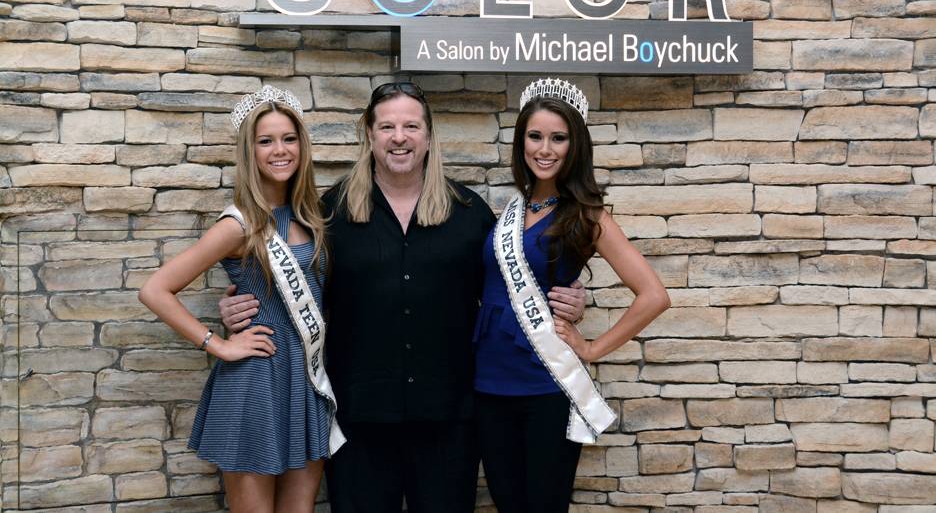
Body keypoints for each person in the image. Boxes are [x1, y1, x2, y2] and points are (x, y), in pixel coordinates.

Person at [218, 81, 587, 513]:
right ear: (369, 135)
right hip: (359, 420)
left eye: (411, 126)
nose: (399, 137)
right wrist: (239, 304)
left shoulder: (469, 213)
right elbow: (295, 282)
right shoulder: (327, 214)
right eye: (387, 126)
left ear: (429, 136)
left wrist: (568, 298)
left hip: (449, 420)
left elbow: (506, 288)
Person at [138, 85, 343, 513]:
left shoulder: (313, 217)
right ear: (249, 151)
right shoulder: (239, 226)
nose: (279, 150)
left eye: (288, 139)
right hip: (255, 382)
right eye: (265, 141)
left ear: (302, 146)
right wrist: (219, 344)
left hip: (305, 381)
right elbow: (155, 290)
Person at [473, 78, 671, 513]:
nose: (545, 149)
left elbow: (653, 295)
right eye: (535, 136)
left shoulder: (586, 213)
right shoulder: (510, 210)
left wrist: (594, 348)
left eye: (558, 138)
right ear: (521, 141)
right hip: (488, 384)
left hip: (546, 382)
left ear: (574, 145)